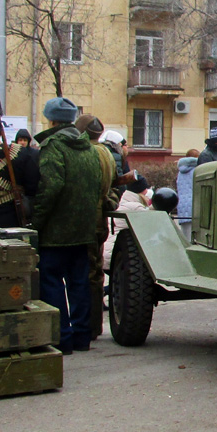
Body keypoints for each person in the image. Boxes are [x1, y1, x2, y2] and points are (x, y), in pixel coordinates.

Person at [32, 97, 105, 355]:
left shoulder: (53, 147)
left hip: (55, 232)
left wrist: (35, 223)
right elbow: (96, 187)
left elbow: (50, 187)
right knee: (79, 283)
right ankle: (82, 336)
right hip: (83, 230)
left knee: (51, 282)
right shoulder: (87, 148)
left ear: (51, 120)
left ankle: (61, 338)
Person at [74, 114, 120, 340]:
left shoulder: (85, 153)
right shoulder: (107, 153)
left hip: (86, 219)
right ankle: (94, 326)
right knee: (96, 271)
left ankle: (86, 326)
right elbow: (114, 184)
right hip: (100, 220)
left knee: (83, 272)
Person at [0, 104, 38, 228]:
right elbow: (33, 189)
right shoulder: (20, 153)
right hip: (10, 226)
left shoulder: (16, 152)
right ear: (0, 128)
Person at [175, 150, 198, 225]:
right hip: (195, 206)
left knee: (185, 235)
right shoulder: (197, 170)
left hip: (182, 206)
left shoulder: (180, 172)